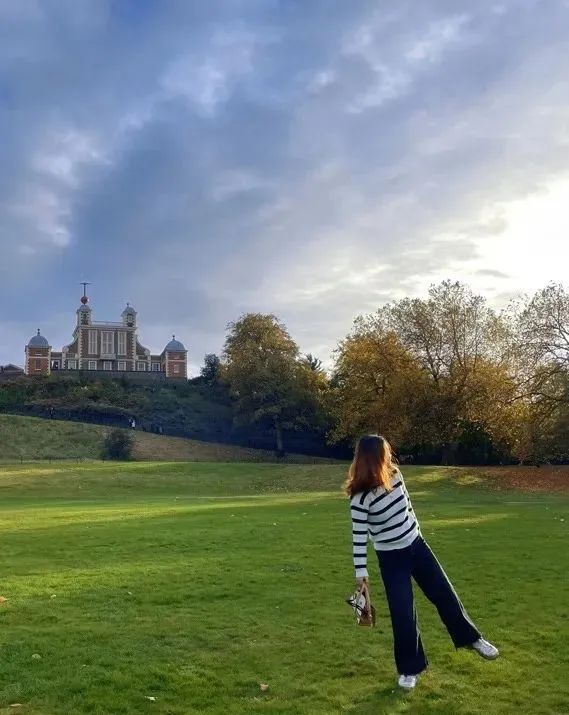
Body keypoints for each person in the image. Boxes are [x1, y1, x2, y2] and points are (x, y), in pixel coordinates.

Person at [347, 434, 499, 690]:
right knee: (403, 614)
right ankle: (409, 669)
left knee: (445, 595)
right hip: (391, 559)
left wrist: (416, 533)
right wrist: (361, 573)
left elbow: (408, 507)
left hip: (417, 547)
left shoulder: (395, 474)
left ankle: (472, 639)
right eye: (385, 452)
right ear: (373, 458)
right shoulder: (359, 498)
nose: (389, 456)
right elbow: (358, 538)